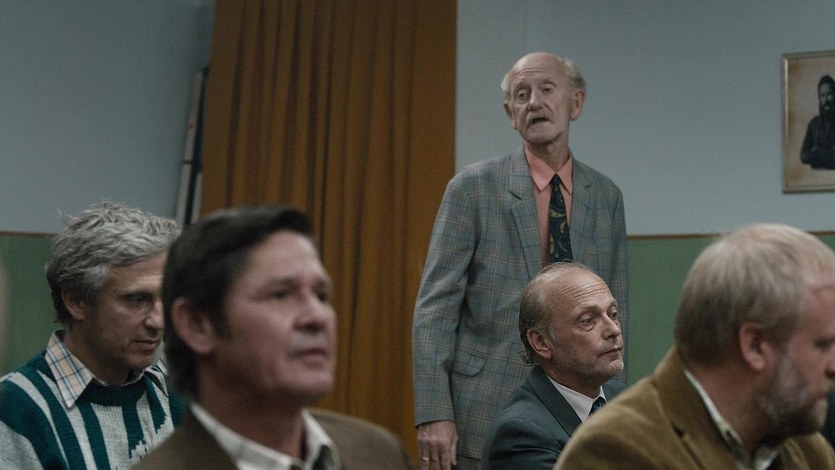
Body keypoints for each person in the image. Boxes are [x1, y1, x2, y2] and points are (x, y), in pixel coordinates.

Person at [412, 51, 628, 469]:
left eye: (547, 89)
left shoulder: (606, 197)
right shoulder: (472, 188)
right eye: (522, 94)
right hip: (480, 405)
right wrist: (434, 413)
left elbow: (618, 311)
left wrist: (618, 408)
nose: (535, 102)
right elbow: (435, 308)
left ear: (576, 103)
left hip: (579, 409)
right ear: (511, 114)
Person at [136, 205, 414, 469]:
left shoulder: (379, 452)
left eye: (321, 295)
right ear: (197, 325)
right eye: (280, 295)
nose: (317, 317)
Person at [555, 223, 835, 469]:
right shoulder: (618, 451)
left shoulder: (805, 448)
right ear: (755, 346)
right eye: (824, 345)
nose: (833, 366)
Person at [0, 202, 184, 469]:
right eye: (136, 299)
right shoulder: (16, 409)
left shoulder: (173, 399)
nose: (159, 321)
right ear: (76, 301)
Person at [481, 262, 625, 469]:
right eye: (587, 321)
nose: (614, 330)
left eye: (613, 314)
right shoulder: (521, 435)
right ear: (541, 342)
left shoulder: (623, 398)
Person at [800, 74, 835, 169]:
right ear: (819, 98)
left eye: (829, 94)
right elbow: (803, 155)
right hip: (815, 176)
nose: (826, 100)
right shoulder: (813, 124)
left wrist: (818, 153)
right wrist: (827, 156)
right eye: (822, 95)